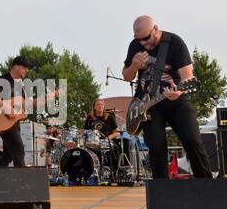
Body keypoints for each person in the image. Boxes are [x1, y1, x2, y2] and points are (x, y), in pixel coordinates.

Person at [122, 15, 212, 179]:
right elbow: (127, 76)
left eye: (147, 38)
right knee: (156, 147)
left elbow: (187, 78)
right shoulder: (135, 45)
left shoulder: (175, 43)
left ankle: (207, 185)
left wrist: (178, 92)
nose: (144, 43)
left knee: (193, 142)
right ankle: (161, 192)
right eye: (139, 39)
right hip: (146, 106)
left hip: (174, 99)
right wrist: (134, 66)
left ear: (155, 29)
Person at [83, 99, 121, 172]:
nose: (100, 106)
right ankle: (91, 172)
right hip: (93, 142)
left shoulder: (109, 117)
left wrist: (109, 137)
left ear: (104, 106)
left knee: (116, 149)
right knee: (86, 151)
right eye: (98, 104)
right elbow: (85, 131)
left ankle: (116, 171)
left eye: (101, 104)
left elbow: (117, 132)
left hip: (106, 142)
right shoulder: (90, 118)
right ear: (94, 107)